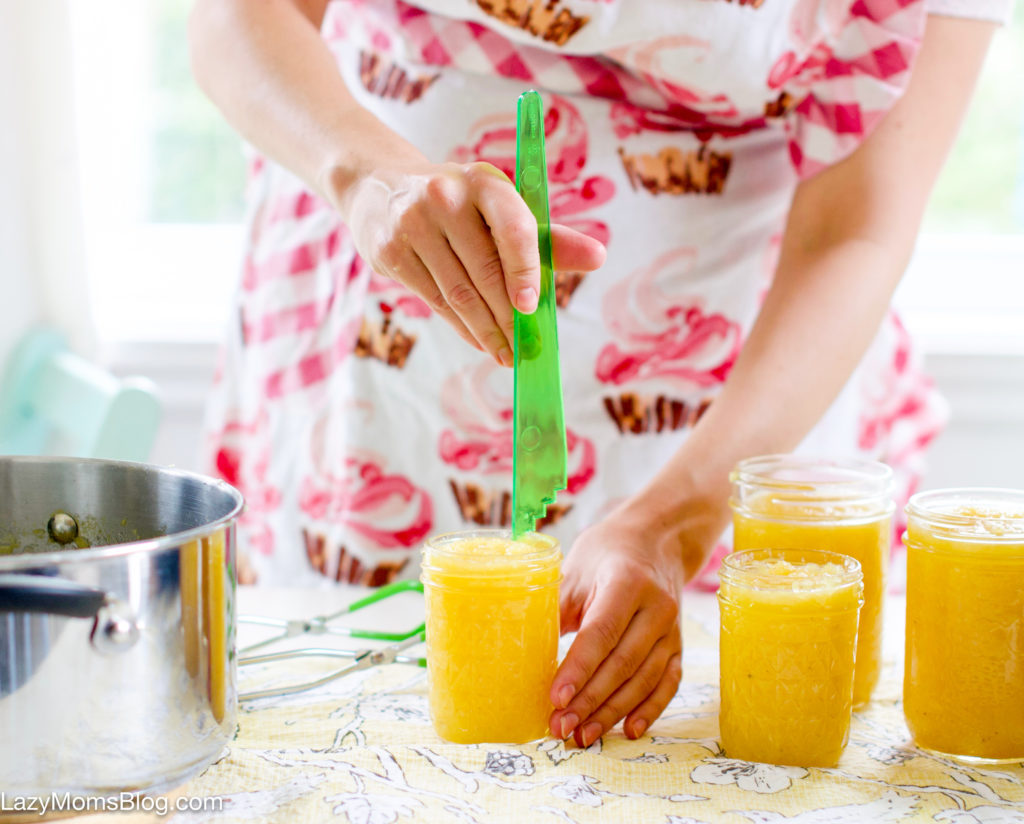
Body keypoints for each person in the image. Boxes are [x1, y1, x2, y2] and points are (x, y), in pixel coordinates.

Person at [189, 0, 1008, 748]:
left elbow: (855, 229)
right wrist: (368, 174)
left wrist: (670, 525)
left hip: (729, 406)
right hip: (377, 365)